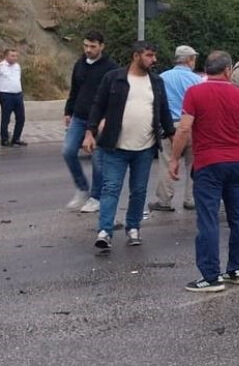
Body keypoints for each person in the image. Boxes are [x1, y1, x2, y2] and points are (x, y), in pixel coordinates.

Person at [171, 51, 239, 292]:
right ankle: (236, 269)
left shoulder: (194, 93)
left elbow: (184, 129)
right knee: (238, 219)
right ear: (228, 70)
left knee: (208, 219)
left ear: (206, 69)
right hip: (237, 163)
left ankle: (210, 276)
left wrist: (174, 158)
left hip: (208, 163)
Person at [84, 41, 175, 251]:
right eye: (149, 55)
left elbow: (164, 112)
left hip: (145, 148)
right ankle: (104, 231)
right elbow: (98, 105)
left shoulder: (156, 82)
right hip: (115, 147)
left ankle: (133, 227)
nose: (154, 60)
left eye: (154, 55)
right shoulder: (114, 78)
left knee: (139, 190)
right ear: (136, 56)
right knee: (111, 188)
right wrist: (90, 133)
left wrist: (174, 139)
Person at [63, 31, 118, 212]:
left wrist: (106, 118)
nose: (88, 49)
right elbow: (75, 90)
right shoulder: (80, 64)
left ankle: (96, 197)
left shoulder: (111, 68)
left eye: (93, 46)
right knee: (68, 151)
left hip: (99, 120)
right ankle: (82, 189)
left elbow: (114, 97)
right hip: (79, 116)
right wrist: (68, 111)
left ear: (102, 46)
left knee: (97, 160)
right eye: (86, 45)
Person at [149, 46, 201, 212]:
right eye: (194, 59)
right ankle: (191, 199)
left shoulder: (162, 77)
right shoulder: (197, 80)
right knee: (193, 163)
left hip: (169, 126)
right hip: (191, 125)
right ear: (189, 60)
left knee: (167, 162)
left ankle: (164, 200)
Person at [1, 47, 26, 147]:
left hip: (18, 95)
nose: (14, 58)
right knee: (6, 118)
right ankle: (4, 139)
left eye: (16, 56)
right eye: (12, 56)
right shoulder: (1, 67)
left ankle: (16, 138)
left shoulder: (17, 66)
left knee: (21, 118)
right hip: (6, 95)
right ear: (6, 56)